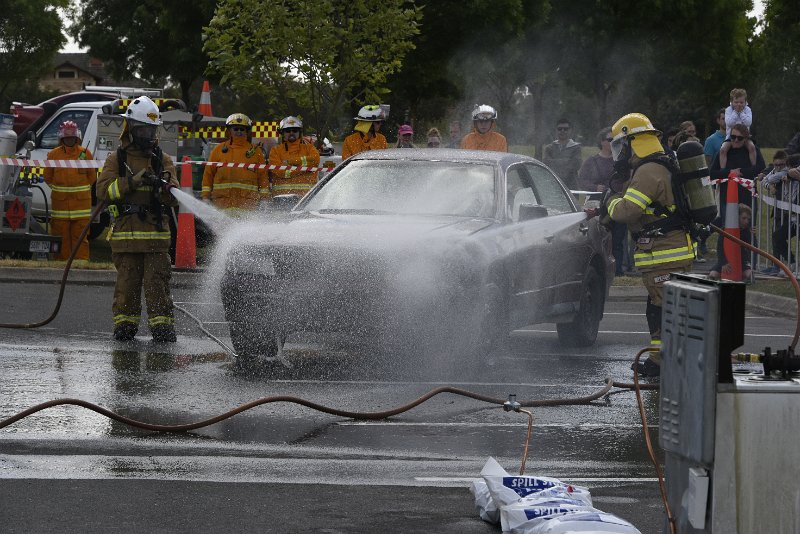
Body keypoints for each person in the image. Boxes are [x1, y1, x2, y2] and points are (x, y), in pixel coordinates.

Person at [605, 113, 696, 377]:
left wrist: (609, 201)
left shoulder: (648, 171)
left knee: (664, 308)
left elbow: (626, 212)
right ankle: (658, 360)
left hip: (665, 253)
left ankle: (667, 363)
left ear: (633, 142)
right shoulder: (656, 165)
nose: (619, 153)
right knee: (658, 306)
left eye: (621, 145)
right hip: (665, 251)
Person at [96, 96, 180, 342]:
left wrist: (165, 188)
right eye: (143, 128)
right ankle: (125, 326)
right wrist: (131, 182)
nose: (148, 134)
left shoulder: (162, 160)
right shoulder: (117, 159)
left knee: (158, 287)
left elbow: (174, 197)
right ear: (130, 128)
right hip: (126, 236)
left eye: (151, 129)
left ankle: (162, 328)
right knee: (127, 287)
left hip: (155, 237)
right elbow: (102, 191)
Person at [43, 121, 96, 262]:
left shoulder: (86, 154)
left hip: (81, 209)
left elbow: (92, 177)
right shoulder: (53, 154)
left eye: (72, 138)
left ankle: (81, 267)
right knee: (61, 239)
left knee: (80, 239)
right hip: (60, 208)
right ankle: (61, 267)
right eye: (67, 138)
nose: (69, 140)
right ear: (62, 138)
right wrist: (60, 190)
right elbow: (47, 177)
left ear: (77, 137)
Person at [578, 127, 627, 276]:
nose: (613, 142)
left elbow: (628, 179)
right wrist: (594, 187)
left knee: (618, 239)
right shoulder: (591, 161)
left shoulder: (621, 161)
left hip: (618, 203)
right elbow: (581, 180)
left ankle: (617, 271)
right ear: (601, 141)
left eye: (615, 140)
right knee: (598, 238)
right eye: (610, 139)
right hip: (597, 205)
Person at [202, 113, 270, 214]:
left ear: (247, 131)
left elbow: (263, 177)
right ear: (229, 131)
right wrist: (205, 197)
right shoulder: (218, 150)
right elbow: (208, 174)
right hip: (222, 205)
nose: (239, 132)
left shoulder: (255, 152)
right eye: (236, 129)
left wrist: (265, 199)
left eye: (242, 129)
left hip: (247, 206)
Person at [709, 123, 765, 223]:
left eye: (740, 138)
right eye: (733, 137)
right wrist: (730, 173)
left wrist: (741, 172)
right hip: (727, 197)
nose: (735, 140)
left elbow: (761, 168)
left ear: (746, 139)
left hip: (748, 197)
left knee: (749, 231)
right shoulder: (723, 152)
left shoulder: (753, 150)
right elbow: (712, 173)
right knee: (727, 230)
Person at [761, 151, 796, 274]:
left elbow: (769, 178)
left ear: (786, 164)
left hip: (792, 214)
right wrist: (769, 186)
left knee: (779, 237)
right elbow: (764, 181)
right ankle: (777, 266)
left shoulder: (787, 172)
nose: (778, 167)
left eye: (781, 164)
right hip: (779, 210)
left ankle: (790, 264)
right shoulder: (776, 171)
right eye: (775, 165)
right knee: (775, 238)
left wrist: (769, 179)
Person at [268, 116, 320, 197]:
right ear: (282, 133)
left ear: (299, 133)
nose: (291, 133)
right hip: (281, 198)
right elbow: (280, 171)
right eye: (288, 131)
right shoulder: (275, 151)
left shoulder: (309, 148)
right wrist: (304, 169)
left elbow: (315, 161)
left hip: (306, 198)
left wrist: (290, 163)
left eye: (295, 130)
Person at [709, 204, 753, 281]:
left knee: (749, 275)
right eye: (744, 218)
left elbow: (748, 248)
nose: (746, 221)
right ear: (737, 217)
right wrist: (723, 263)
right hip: (725, 259)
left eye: (748, 219)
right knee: (713, 275)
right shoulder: (725, 229)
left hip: (741, 261)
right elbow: (720, 247)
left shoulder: (746, 232)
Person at [718, 88, 757, 168]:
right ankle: (723, 169)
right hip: (730, 137)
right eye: (736, 102)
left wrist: (741, 113)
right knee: (723, 150)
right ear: (732, 102)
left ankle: (754, 167)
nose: (739, 104)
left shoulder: (748, 110)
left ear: (745, 102)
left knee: (752, 147)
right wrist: (736, 112)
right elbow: (729, 123)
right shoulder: (728, 110)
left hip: (745, 137)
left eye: (741, 102)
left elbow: (748, 122)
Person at [543, 118, 581, 190]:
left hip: (571, 187)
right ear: (556, 130)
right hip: (552, 185)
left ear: (570, 130)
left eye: (565, 129)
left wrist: (555, 162)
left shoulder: (576, 148)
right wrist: (567, 161)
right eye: (559, 129)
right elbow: (546, 164)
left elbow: (576, 164)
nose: (562, 131)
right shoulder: (549, 148)